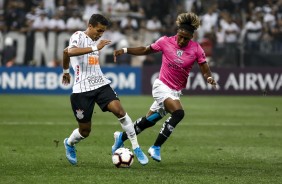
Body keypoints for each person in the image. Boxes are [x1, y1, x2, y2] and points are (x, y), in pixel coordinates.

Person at [112, 12, 217, 162]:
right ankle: (155, 147)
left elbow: (204, 68)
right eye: (180, 36)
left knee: (149, 121)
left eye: (186, 39)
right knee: (178, 113)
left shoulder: (196, 49)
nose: (181, 40)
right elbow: (145, 50)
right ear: (177, 32)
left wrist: (209, 77)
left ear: (191, 38)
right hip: (161, 86)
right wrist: (125, 50)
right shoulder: (165, 41)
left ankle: (120, 137)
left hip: (175, 91)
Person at [62, 14, 148, 166]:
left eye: (103, 31)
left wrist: (66, 71)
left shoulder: (95, 42)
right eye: (99, 30)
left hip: (101, 84)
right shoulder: (78, 36)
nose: (100, 34)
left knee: (120, 111)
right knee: (85, 131)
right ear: (90, 26)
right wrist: (65, 71)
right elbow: (68, 52)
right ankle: (69, 143)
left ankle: (136, 147)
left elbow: (65, 52)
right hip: (82, 90)